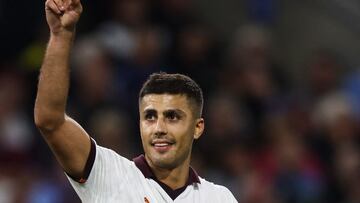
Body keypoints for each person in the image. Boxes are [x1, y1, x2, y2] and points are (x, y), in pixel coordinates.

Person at [34, 0, 238, 202]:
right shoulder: (109, 175)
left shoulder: (218, 197)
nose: (159, 128)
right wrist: (61, 35)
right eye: (150, 116)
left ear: (198, 127)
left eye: (172, 116)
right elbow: (50, 121)